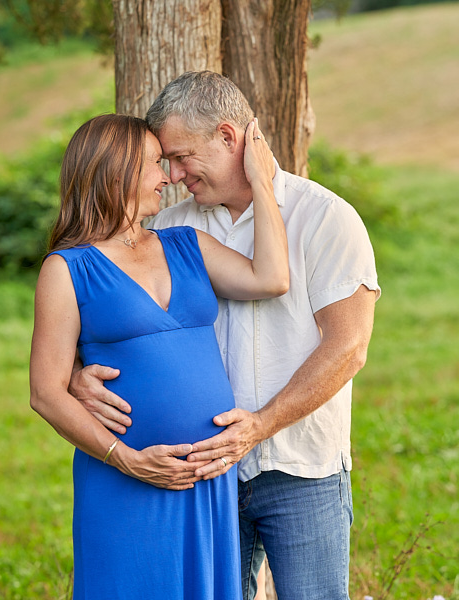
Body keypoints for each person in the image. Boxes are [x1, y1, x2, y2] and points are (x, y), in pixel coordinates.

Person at [70, 72, 381, 600]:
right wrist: (77, 375)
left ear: (228, 136)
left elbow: (347, 349)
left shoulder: (325, 217)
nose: (172, 175)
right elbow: (116, 312)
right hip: (199, 476)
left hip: (297, 468)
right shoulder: (169, 225)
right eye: (164, 162)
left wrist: (259, 426)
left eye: (182, 156)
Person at [29, 113, 290, 600]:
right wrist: (128, 460)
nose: (168, 177)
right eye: (155, 163)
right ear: (117, 170)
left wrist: (261, 181)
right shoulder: (67, 269)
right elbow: (45, 392)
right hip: (124, 478)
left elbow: (271, 279)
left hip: (206, 481)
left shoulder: (186, 244)